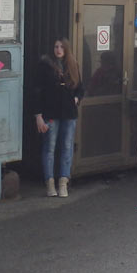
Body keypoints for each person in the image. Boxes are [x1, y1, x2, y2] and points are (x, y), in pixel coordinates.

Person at [34, 38, 85, 198]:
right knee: (50, 147)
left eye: (62, 46)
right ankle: (50, 183)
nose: (58, 49)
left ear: (67, 49)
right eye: (56, 46)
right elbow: (37, 91)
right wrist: (38, 115)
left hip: (69, 112)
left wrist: (77, 98)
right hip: (50, 112)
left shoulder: (73, 65)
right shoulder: (45, 66)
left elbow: (80, 88)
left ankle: (63, 182)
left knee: (67, 147)